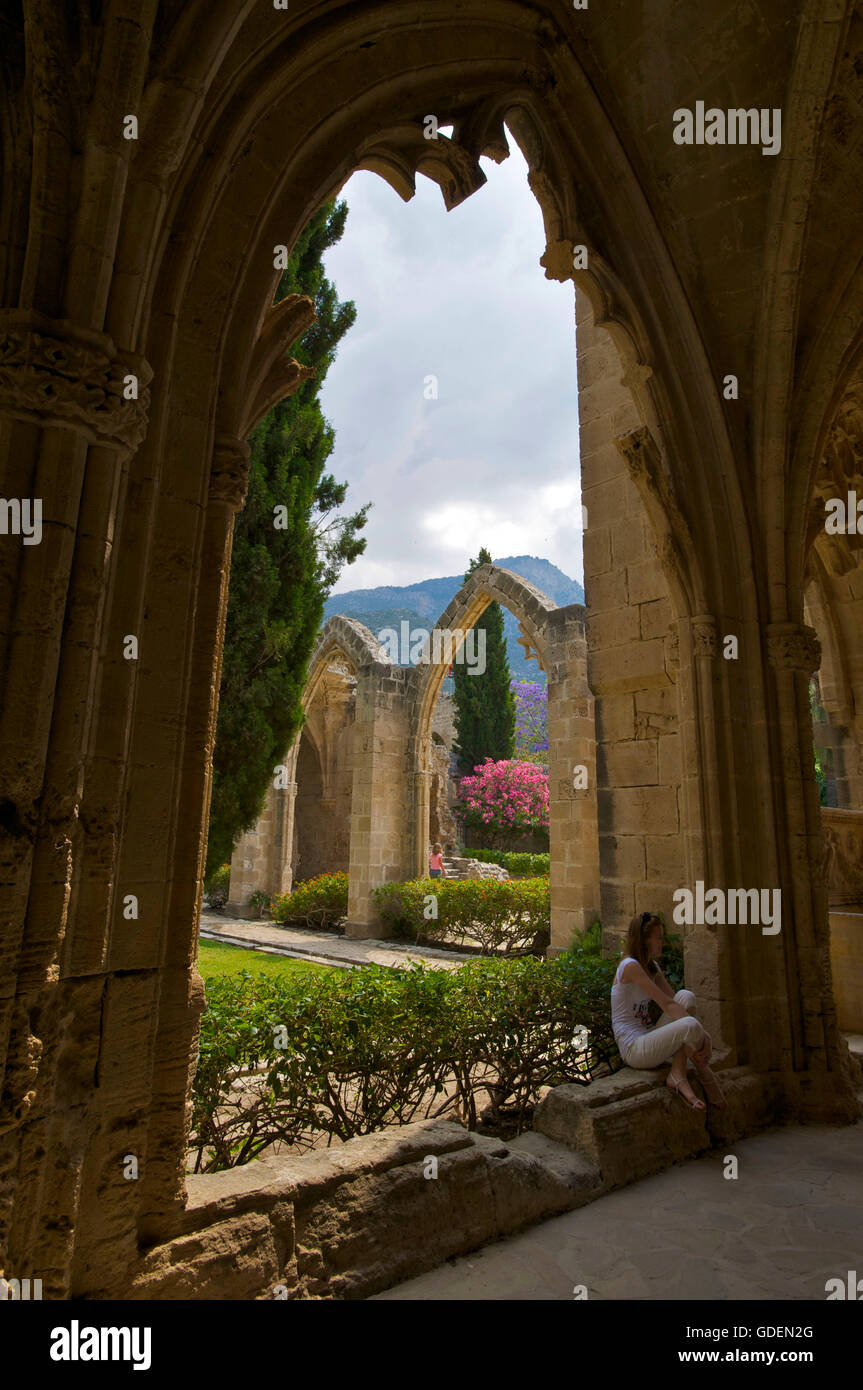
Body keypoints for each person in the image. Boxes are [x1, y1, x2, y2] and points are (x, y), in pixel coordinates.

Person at [610, 911, 726, 1110]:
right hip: (633, 1047)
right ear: (645, 940)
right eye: (659, 938)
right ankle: (702, 1069)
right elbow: (666, 1005)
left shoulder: (651, 966)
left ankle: (678, 1073)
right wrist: (704, 1036)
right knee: (689, 1024)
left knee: (686, 996)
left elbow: (675, 1001)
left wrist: (701, 1033)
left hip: (649, 1036)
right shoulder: (630, 966)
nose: (662, 943)